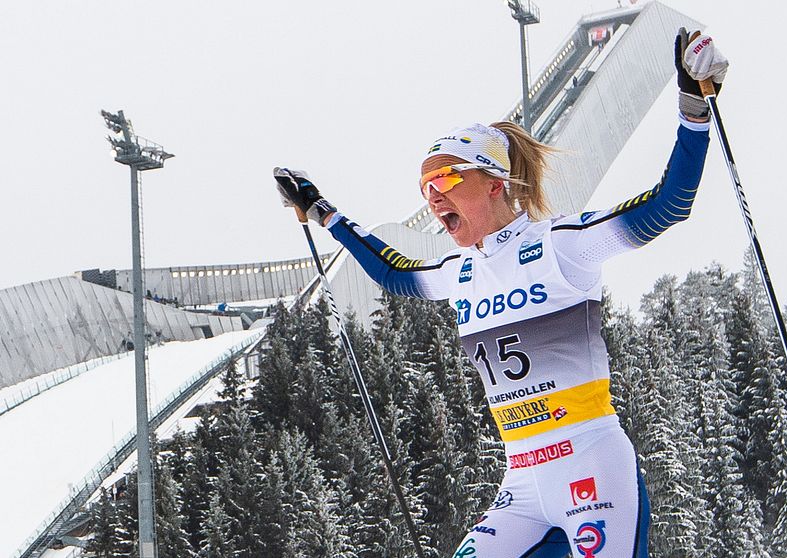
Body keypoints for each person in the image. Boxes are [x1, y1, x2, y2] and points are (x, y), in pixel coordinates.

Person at [274, 28, 728, 558]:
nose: (433, 196)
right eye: (425, 188)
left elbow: (669, 205)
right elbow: (392, 272)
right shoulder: (459, 270)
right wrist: (322, 210)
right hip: (523, 483)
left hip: (591, 463)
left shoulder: (561, 245)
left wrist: (694, 104)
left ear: (494, 183)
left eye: (444, 179)